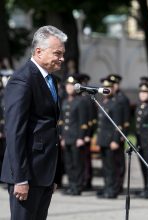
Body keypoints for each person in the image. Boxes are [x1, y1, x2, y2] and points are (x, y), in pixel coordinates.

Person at [0, 25, 67, 220]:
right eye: (57, 53)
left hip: (44, 173)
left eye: (62, 53)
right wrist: (20, 178)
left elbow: (51, 127)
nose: (62, 58)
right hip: (27, 174)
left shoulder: (51, 80)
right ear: (39, 51)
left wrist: (55, 175)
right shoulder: (22, 80)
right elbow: (15, 132)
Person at [60, 75, 88, 195]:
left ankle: (77, 186)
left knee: (77, 164)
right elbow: (62, 121)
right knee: (69, 163)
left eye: (72, 85)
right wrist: (62, 136)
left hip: (76, 137)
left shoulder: (80, 101)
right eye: (68, 85)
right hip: (67, 137)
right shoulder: (65, 101)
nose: (69, 87)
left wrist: (81, 137)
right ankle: (71, 185)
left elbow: (83, 122)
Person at [96, 78, 123, 199]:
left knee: (112, 168)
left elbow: (118, 125)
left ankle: (113, 189)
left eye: (109, 88)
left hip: (111, 140)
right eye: (105, 88)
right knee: (105, 167)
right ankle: (107, 187)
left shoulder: (116, 103)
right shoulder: (102, 102)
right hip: (103, 140)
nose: (106, 90)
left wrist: (116, 140)